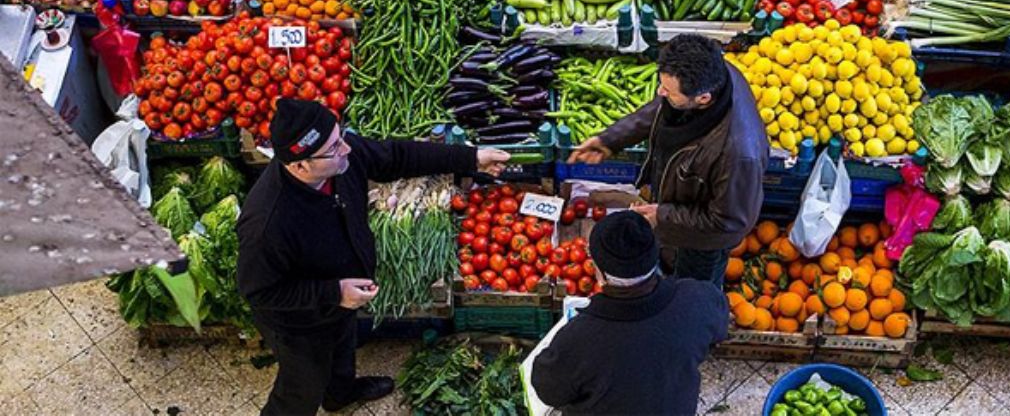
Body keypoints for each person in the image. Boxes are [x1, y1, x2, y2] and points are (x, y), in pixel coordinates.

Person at [236, 98, 510, 415]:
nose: (347, 149)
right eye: (334, 148)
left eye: (341, 137)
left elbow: (396, 156)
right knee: (301, 387)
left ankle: (341, 393)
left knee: (343, 348)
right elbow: (259, 291)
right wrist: (334, 292)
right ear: (301, 166)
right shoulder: (267, 223)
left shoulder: (339, 159)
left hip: (342, 298)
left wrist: (471, 158)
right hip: (300, 322)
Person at [569, 34, 769, 286]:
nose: (659, 92)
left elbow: (728, 223)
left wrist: (662, 216)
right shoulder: (713, 73)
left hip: (704, 242)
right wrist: (611, 139)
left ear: (703, 99)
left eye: (669, 91)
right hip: (680, 205)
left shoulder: (738, 155)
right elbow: (662, 106)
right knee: (670, 262)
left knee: (693, 289)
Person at [531, 210, 728, 414]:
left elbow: (548, 391)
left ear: (600, 272)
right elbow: (719, 330)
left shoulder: (578, 339)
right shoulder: (700, 299)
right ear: (654, 256)